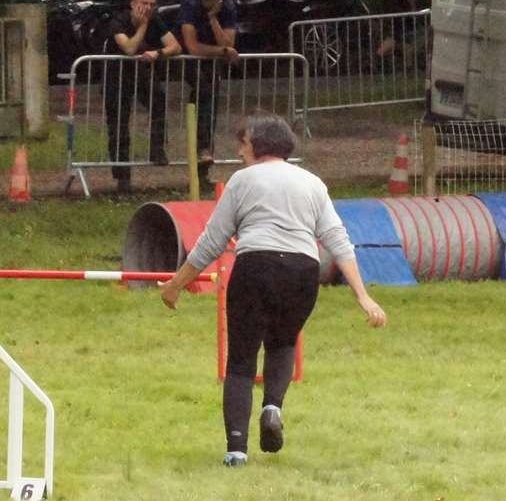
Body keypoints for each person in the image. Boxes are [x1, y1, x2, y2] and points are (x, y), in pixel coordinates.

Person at [160, 114, 387, 467]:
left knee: (240, 362)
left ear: (258, 146)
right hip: (302, 272)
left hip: (256, 266)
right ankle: (272, 408)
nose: (239, 151)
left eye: (243, 143)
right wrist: (363, 295)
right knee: (283, 340)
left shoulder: (242, 180)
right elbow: (337, 239)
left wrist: (176, 284)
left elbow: (212, 241)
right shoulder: (312, 183)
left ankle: (237, 450)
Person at [104, 0, 181, 191]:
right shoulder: (119, 21)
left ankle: (156, 149)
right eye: (143, 3)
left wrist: (158, 53)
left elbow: (176, 46)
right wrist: (143, 26)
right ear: (132, 4)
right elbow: (129, 48)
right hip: (116, 75)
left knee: (158, 100)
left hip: (141, 73)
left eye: (151, 4)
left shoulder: (155, 19)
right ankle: (122, 176)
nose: (147, 8)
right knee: (119, 125)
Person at [177, 0, 239, 184]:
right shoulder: (190, 5)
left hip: (212, 61)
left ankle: (204, 161)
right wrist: (221, 52)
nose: (208, 2)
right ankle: (201, 149)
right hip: (189, 59)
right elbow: (192, 47)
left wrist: (213, 19)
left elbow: (229, 44)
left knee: (209, 99)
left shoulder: (228, 7)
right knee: (202, 92)